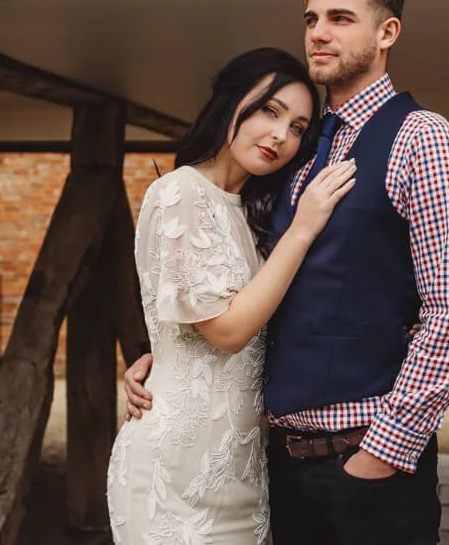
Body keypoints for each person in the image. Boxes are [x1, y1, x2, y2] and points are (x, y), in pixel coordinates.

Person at [124, 0, 449, 545]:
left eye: (341, 18)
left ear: (386, 32)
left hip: (365, 463)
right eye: (312, 17)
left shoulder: (424, 139)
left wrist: (382, 454)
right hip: (279, 466)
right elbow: (246, 283)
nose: (319, 32)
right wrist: (166, 358)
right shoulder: (300, 151)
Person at [106, 47, 358, 544]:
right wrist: (304, 229)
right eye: (270, 111)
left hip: (244, 472)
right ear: (230, 102)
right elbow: (228, 330)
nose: (280, 136)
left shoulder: (250, 214)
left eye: (298, 128)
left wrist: (159, 354)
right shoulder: (179, 192)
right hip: (175, 471)